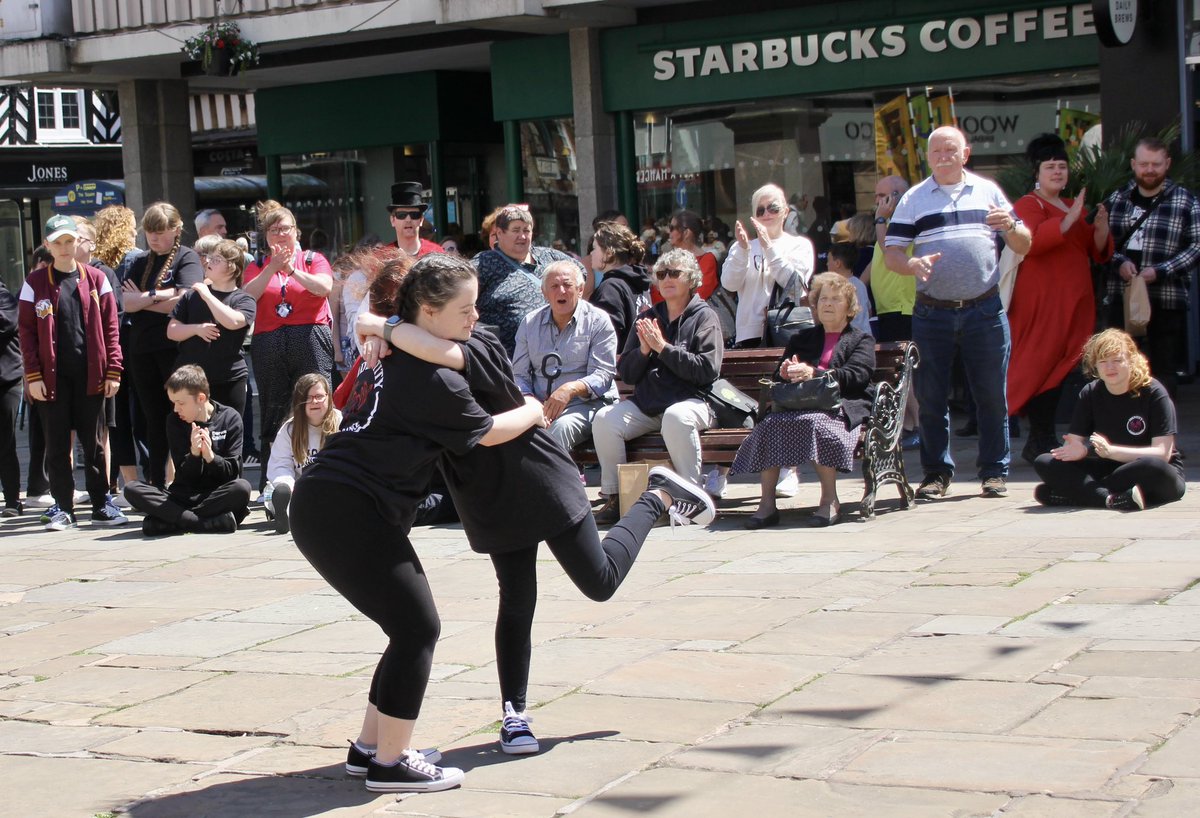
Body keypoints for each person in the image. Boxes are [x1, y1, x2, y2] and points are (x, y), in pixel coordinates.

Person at [353, 254, 715, 762]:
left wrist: (381, 328)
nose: (476, 315)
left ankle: (657, 496)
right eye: (465, 307)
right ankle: (514, 713)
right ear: (427, 311)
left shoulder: (477, 343)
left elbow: (439, 352)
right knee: (517, 599)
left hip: (539, 475)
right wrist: (375, 330)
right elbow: (394, 336)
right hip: (488, 494)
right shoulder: (407, 355)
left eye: (475, 305)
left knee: (600, 582)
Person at [884, 125, 1031, 500]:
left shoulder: (987, 191)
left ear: (966, 153)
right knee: (932, 399)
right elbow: (892, 253)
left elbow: (1023, 243)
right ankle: (936, 474)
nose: (943, 157)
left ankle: (994, 472)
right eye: (936, 151)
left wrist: (1011, 226)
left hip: (985, 309)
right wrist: (911, 264)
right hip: (932, 313)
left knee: (992, 396)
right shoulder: (913, 198)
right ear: (927, 157)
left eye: (951, 150)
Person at [730, 273, 875, 528]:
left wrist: (815, 373)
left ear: (849, 306)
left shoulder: (860, 340)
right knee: (769, 425)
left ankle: (829, 500)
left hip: (839, 405)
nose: (828, 304)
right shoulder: (802, 338)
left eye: (836, 299)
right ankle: (767, 505)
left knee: (816, 424)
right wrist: (787, 372)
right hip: (799, 404)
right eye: (823, 299)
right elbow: (778, 376)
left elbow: (857, 376)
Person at [591, 248, 724, 525]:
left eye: (674, 273)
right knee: (605, 419)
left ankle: (692, 498)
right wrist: (642, 351)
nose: (666, 279)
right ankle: (615, 497)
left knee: (676, 417)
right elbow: (627, 374)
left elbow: (706, 370)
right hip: (649, 405)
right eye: (661, 274)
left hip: (694, 401)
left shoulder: (704, 317)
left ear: (691, 279)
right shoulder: (647, 318)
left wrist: (662, 348)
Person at [17, 215, 126, 531]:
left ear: (78, 242)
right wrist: (33, 376)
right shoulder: (34, 283)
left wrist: (114, 370)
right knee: (56, 445)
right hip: (51, 379)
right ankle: (63, 506)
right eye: (58, 242)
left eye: (69, 241)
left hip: (91, 376)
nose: (65, 248)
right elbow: (26, 332)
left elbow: (111, 327)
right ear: (47, 245)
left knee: (94, 444)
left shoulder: (97, 279)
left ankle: (101, 504)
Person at [1009, 134, 1113, 462]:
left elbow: (1096, 251)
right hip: (1043, 304)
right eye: (1050, 167)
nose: (1057, 172)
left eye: (1062, 166)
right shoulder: (1028, 205)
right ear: (1037, 173)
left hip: (1075, 302)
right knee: (1041, 366)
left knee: (1064, 367)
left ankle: (1043, 436)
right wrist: (1068, 219)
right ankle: (1039, 436)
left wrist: (1100, 227)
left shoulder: (1072, 205)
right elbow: (1031, 243)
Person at [1034, 329, 1185, 511]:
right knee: (1044, 461)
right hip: (1106, 466)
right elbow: (1074, 442)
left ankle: (1082, 494)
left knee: (1153, 466)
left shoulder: (1153, 392)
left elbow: (1162, 453)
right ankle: (1112, 499)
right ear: (1095, 365)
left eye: (1117, 361)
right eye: (1103, 362)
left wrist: (1112, 451)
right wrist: (1078, 450)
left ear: (1131, 360)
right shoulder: (1090, 392)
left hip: (1146, 470)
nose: (1110, 367)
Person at [243, 201, 335, 483]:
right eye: (273, 230)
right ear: (266, 236)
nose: (280, 234)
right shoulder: (258, 265)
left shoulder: (312, 259)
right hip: (269, 340)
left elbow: (324, 287)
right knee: (274, 408)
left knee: (317, 400)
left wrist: (292, 271)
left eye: (285, 228)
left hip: (310, 336)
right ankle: (273, 480)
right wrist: (272, 268)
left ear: (296, 231)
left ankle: (327, 470)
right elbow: (247, 296)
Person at [1103, 137, 1200, 398]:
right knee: (1120, 365)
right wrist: (1119, 262)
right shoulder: (1117, 198)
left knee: (1163, 371)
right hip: (1122, 296)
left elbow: (1197, 246)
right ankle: (1123, 419)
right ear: (1133, 164)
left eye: (1156, 164)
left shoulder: (1185, 200)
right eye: (1144, 164)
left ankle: (1162, 421)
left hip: (1166, 297)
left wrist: (1161, 270)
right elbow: (1101, 243)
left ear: (1167, 164)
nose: (1149, 170)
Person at [121, 202, 204, 488]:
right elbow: (126, 303)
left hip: (173, 350)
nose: (153, 238)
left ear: (176, 229)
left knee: (180, 414)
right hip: (141, 349)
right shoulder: (139, 261)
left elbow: (186, 298)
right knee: (152, 418)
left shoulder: (186, 257)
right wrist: (159, 296)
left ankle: (185, 478)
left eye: (160, 232)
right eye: (149, 232)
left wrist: (144, 300)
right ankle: (156, 481)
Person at [126, 365, 251, 536]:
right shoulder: (174, 421)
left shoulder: (230, 418)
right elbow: (184, 477)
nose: (176, 409)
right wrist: (194, 455)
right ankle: (201, 523)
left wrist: (211, 457)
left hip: (215, 496)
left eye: (181, 403)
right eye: (173, 403)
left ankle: (172, 520)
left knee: (242, 488)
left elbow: (232, 474)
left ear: (201, 398)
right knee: (132, 488)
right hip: (182, 496)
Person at [511, 260, 617, 452]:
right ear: (544, 293)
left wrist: (570, 389)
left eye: (567, 285)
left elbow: (603, 374)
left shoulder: (598, 321)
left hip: (587, 405)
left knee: (559, 429)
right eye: (554, 286)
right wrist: (530, 401)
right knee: (509, 429)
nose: (561, 291)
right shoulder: (530, 323)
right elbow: (519, 375)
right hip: (541, 406)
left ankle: (549, 473)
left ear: (580, 289)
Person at [472, 205, 583, 355]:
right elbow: (461, 292)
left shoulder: (549, 256)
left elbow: (581, 272)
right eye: (516, 230)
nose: (522, 236)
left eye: (526, 230)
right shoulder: (485, 263)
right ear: (500, 233)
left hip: (557, 352)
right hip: (509, 356)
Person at [167, 239, 256, 418]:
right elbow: (172, 331)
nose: (208, 262)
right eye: (210, 258)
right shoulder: (192, 295)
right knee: (187, 429)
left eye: (216, 260)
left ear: (232, 267)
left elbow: (233, 321)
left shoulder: (243, 300)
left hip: (228, 378)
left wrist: (207, 295)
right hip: (190, 380)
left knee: (228, 428)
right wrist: (197, 329)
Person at [720, 183, 815, 348]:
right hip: (750, 333)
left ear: (786, 212)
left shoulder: (799, 245)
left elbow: (795, 284)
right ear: (754, 216)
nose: (766, 214)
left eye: (773, 208)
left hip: (788, 327)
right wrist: (742, 250)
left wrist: (769, 248)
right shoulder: (742, 246)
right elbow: (729, 284)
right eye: (760, 210)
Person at [264, 373, 339, 534]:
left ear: (328, 397)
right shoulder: (289, 429)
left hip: (333, 484)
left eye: (319, 396)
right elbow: (280, 465)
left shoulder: (342, 421)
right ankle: (284, 514)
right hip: (300, 486)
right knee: (273, 492)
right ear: (299, 401)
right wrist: (287, 486)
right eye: (308, 398)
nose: (314, 401)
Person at [588, 222, 652, 351]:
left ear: (609, 253)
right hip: (641, 359)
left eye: (594, 248)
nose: (591, 254)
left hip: (620, 362)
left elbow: (607, 337)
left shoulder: (610, 288)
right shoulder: (639, 283)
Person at [657, 209, 718, 303]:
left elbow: (700, 295)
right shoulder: (667, 258)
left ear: (686, 233)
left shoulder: (707, 260)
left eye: (672, 228)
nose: (669, 232)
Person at [0, 276, 20, 517]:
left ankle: (13, 500)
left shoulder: (4, 297)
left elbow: (7, 324)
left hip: (7, 380)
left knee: (5, 442)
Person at [385, 182, 444, 258]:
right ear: (392, 220)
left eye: (414, 215)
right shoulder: (382, 258)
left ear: (421, 220)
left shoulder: (437, 254)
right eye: (402, 215)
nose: (408, 219)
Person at [826, 242, 871, 335]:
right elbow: (869, 311)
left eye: (828, 260)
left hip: (847, 338)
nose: (827, 264)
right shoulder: (860, 285)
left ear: (837, 263)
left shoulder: (835, 287)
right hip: (865, 336)